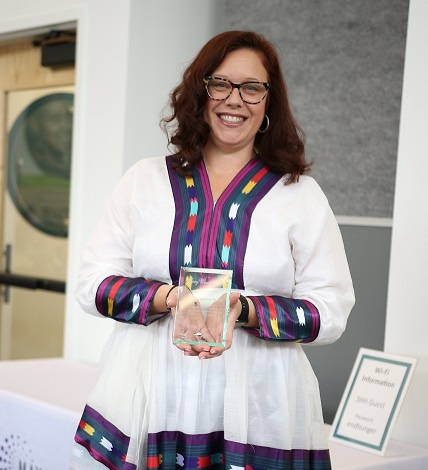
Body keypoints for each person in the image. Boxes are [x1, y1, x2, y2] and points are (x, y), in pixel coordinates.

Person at [70, 30, 355, 470]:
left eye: (252, 87)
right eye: (220, 83)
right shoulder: (143, 180)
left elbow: (331, 310)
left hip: (259, 403)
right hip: (150, 392)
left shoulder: (300, 195)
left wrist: (242, 310)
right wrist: (168, 298)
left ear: (268, 104)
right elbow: (92, 284)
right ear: (200, 93)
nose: (234, 99)